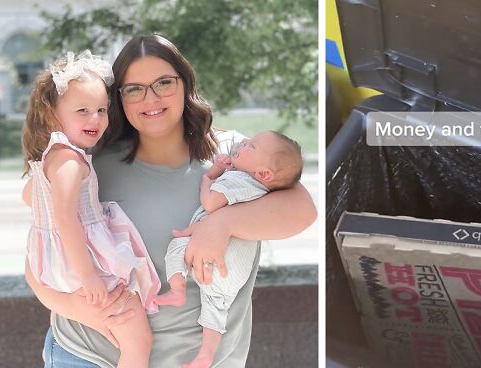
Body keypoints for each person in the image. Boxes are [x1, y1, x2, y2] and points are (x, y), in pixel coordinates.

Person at [24, 34, 316, 368]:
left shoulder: (234, 155)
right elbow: (42, 250)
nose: (150, 98)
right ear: (118, 98)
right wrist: (78, 307)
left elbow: (303, 210)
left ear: (185, 83)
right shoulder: (87, 162)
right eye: (134, 88)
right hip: (88, 355)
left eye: (164, 82)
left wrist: (221, 223)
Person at [21, 50, 161, 368]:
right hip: (79, 265)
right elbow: (65, 218)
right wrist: (88, 276)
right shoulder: (69, 160)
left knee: (121, 329)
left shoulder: (54, 155)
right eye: (82, 110)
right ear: (52, 115)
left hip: (59, 261)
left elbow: (32, 197)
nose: (95, 119)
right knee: (139, 344)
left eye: (101, 110)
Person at [155, 130, 303, 367]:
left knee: (177, 244)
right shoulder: (255, 185)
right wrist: (218, 169)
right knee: (216, 307)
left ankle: (177, 289)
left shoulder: (242, 181)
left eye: (251, 146)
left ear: (263, 173)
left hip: (219, 256)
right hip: (233, 270)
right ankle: (206, 354)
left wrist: (206, 181)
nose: (243, 142)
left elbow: (212, 202)